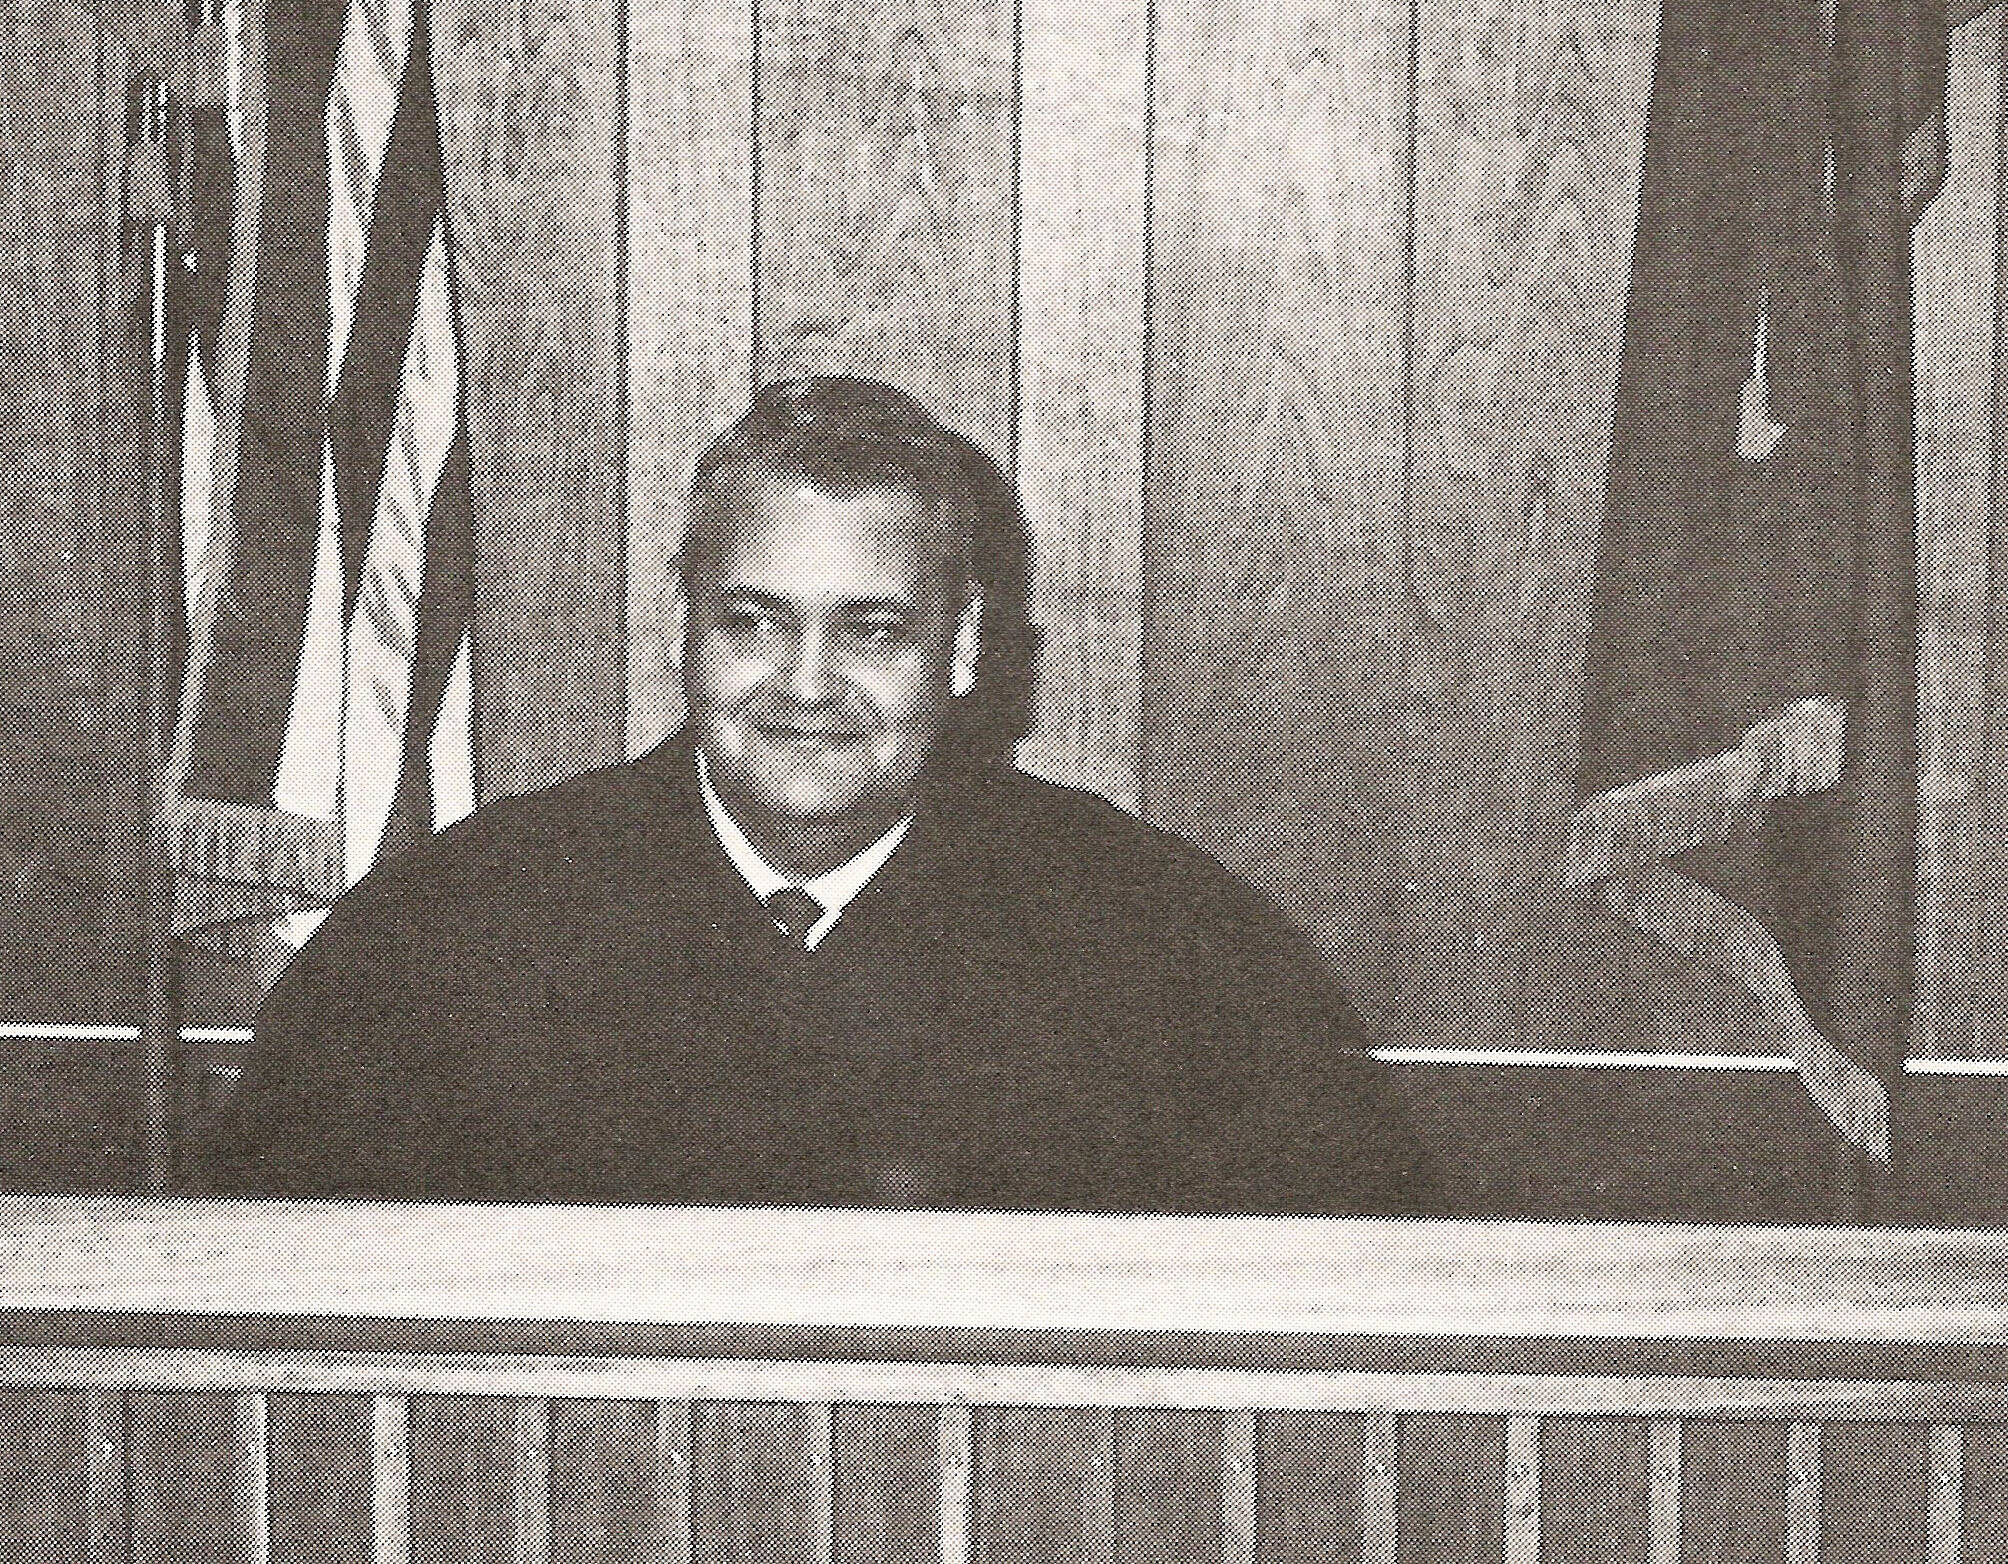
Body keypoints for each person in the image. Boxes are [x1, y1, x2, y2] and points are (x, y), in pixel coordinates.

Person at [202, 376, 1430, 1213]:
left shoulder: (1160, 938)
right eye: (753, 621)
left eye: (873, 631)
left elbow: (1358, 1273)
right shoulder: (447, 934)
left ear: (959, 652)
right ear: (683, 629)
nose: (805, 685)